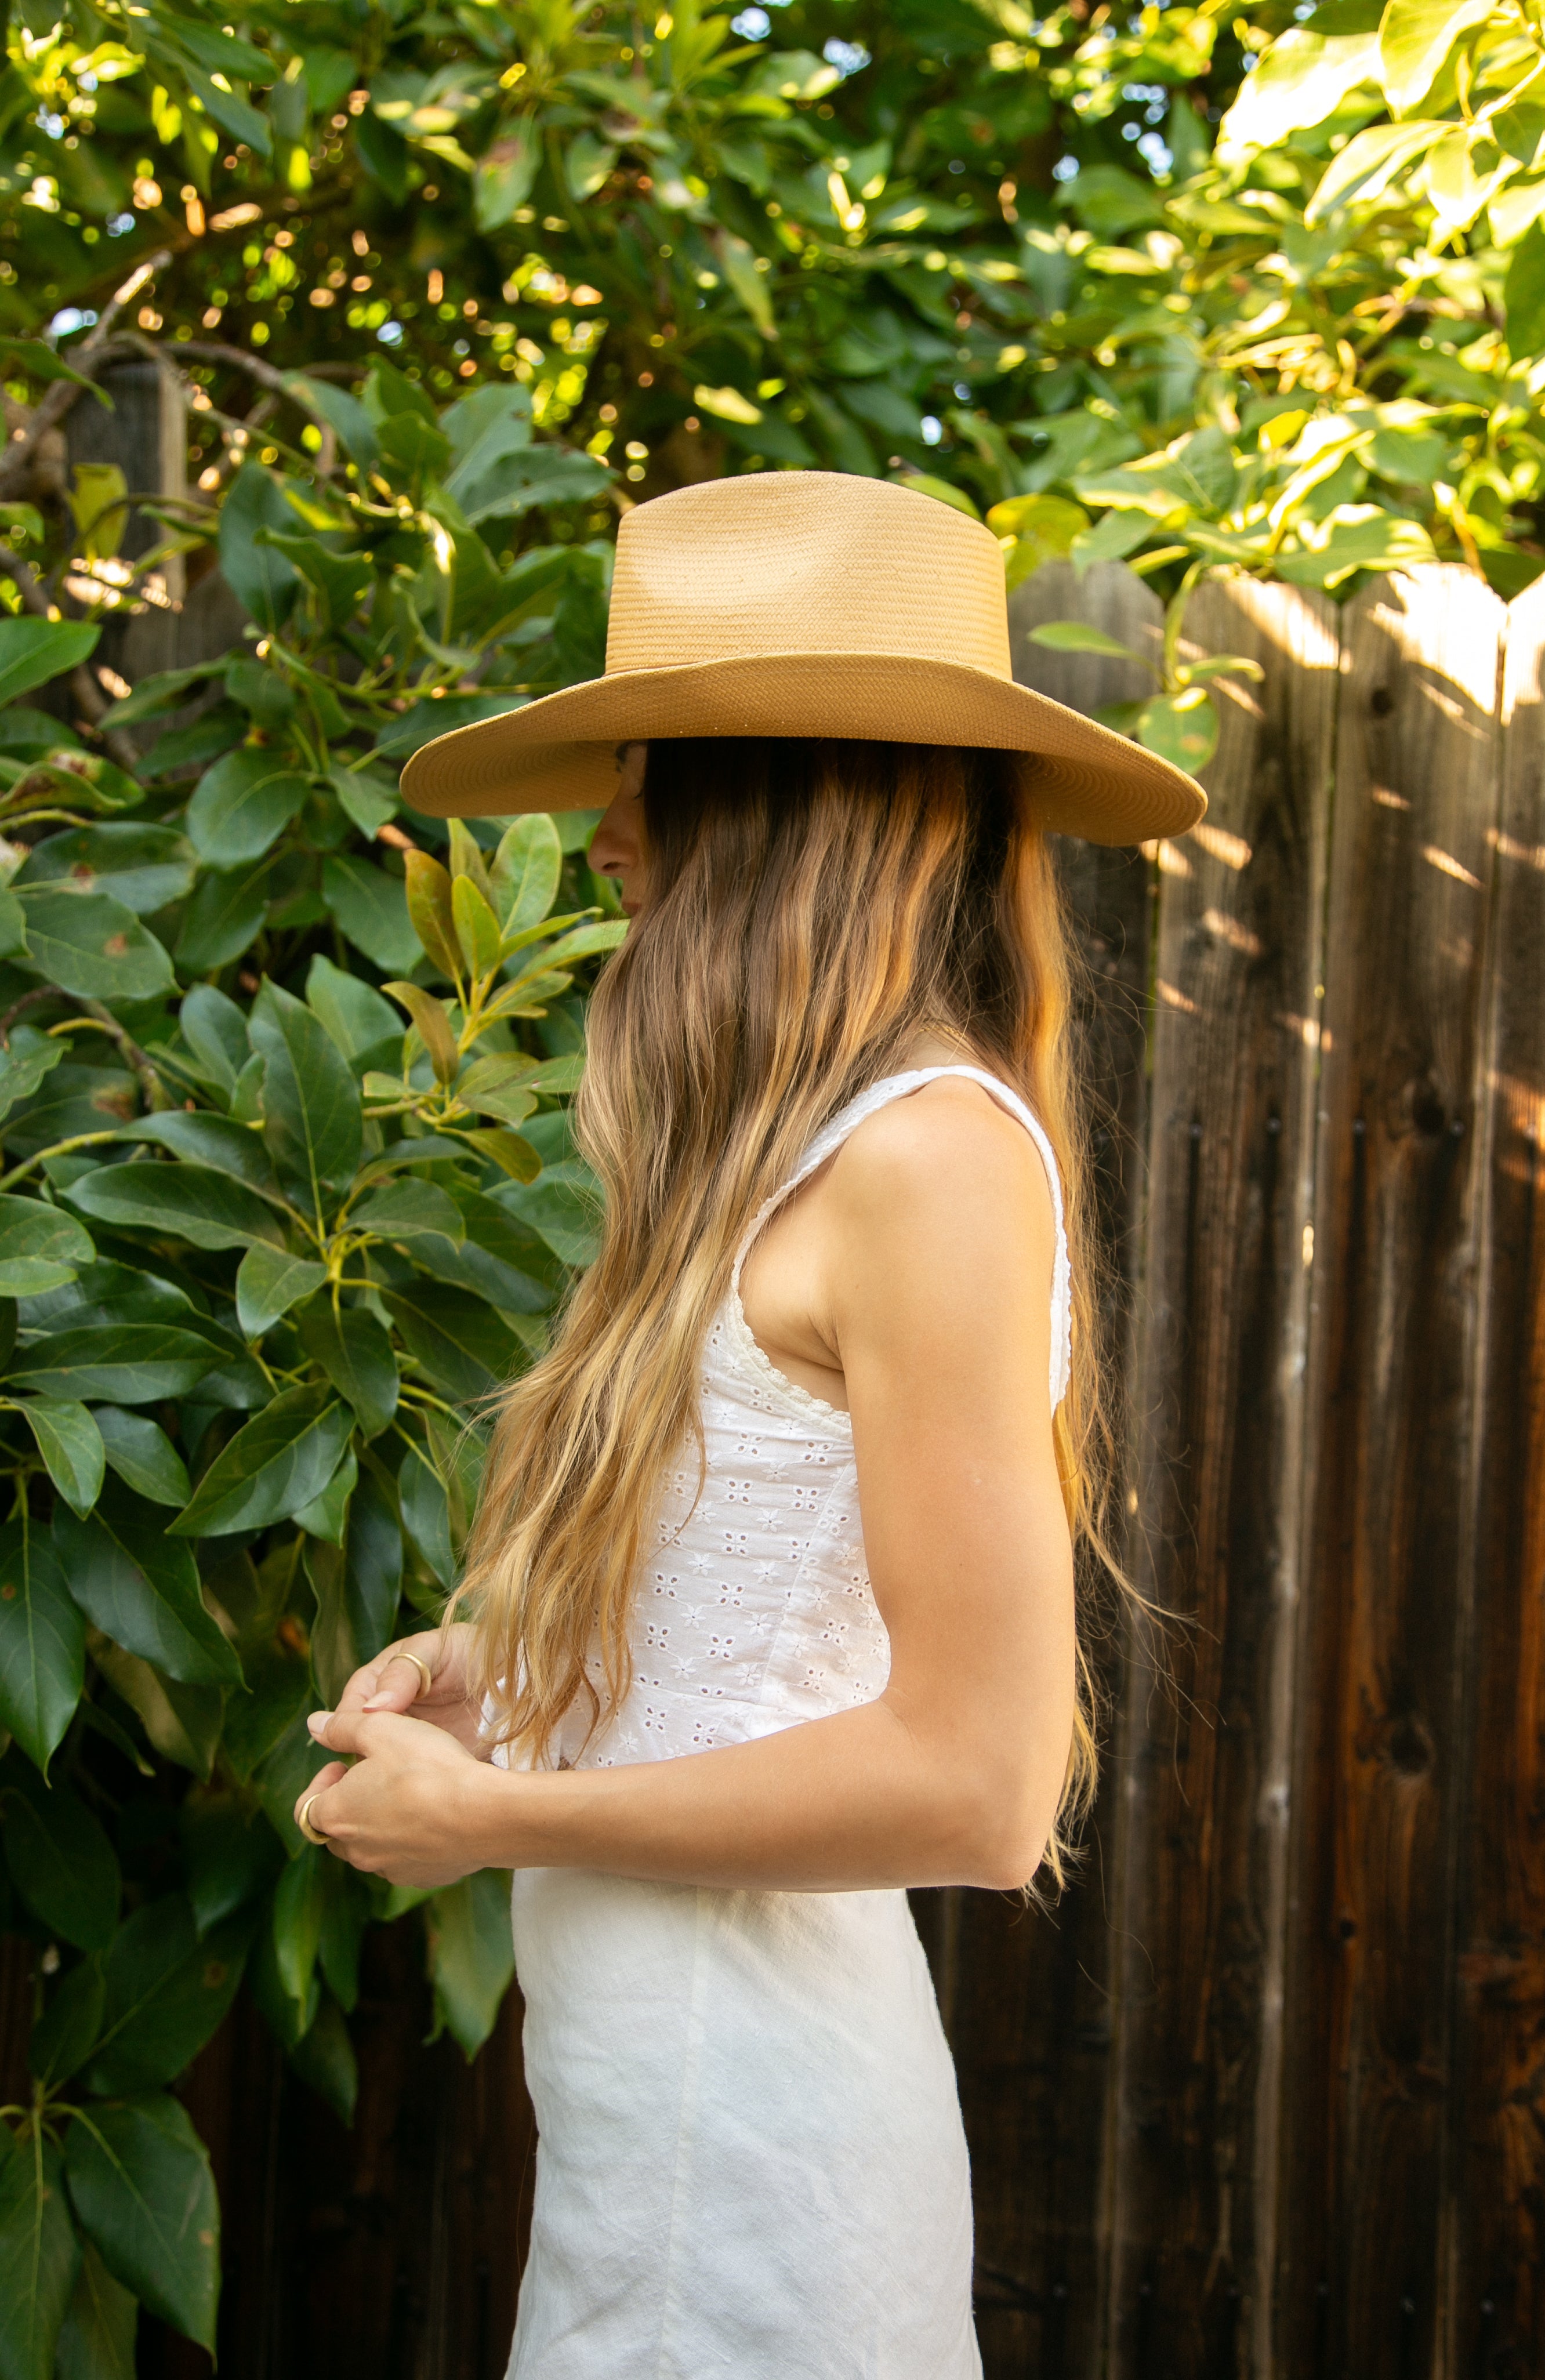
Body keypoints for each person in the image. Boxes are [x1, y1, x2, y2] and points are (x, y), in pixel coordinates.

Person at [294, 473, 1203, 2377]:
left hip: (762, 2166)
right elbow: (763, 1633)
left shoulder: (931, 1160)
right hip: (655, 2152)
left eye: (660, 771)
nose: (610, 830)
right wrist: (518, 1671)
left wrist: (500, 1816)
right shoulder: (790, 1156)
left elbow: (978, 1782)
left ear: (793, 802)